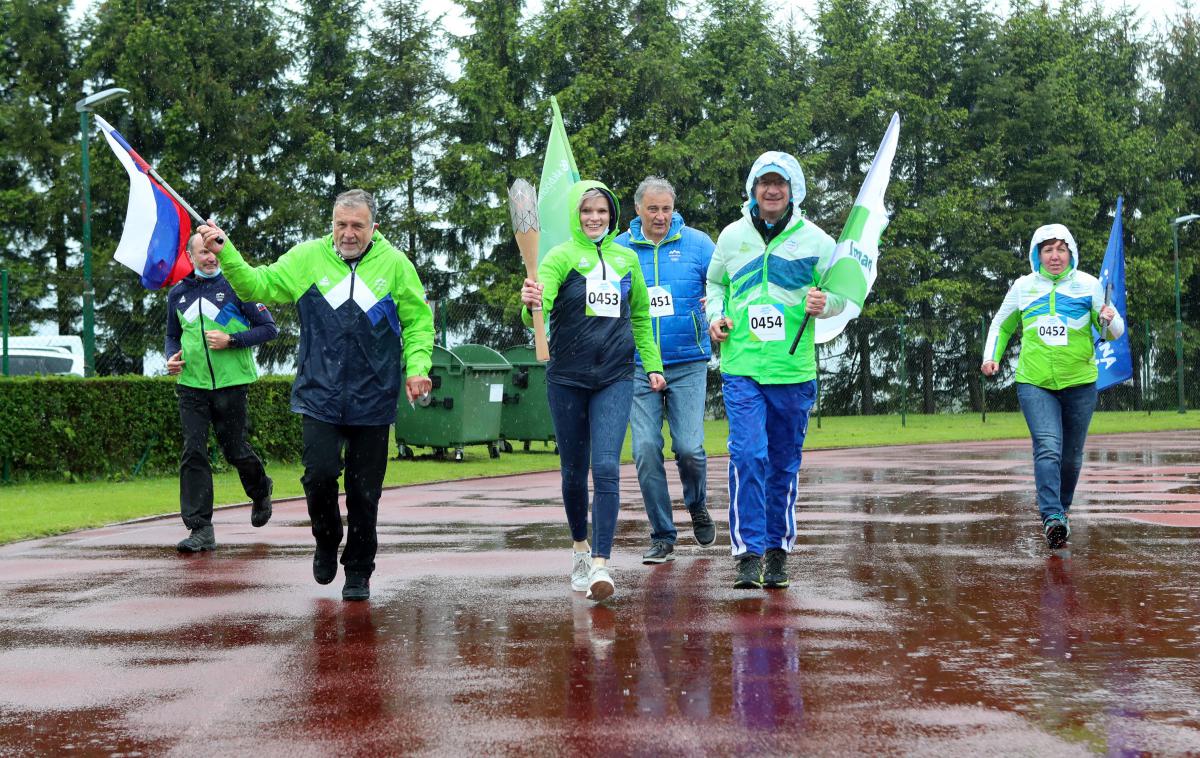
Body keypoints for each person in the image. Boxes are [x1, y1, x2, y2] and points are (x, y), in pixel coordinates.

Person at [198, 189, 434, 601]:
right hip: (319, 395)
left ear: (373, 227)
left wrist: (417, 369)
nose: (347, 233)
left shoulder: (395, 266)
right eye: (341, 224)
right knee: (319, 477)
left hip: (374, 398)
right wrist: (228, 251)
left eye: (356, 226)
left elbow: (418, 323)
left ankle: (358, 569)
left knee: (365, 492)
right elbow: (259, 285)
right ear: (332, 224)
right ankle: (327, 539)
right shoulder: (308, 258)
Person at [520, 179, 666, 602]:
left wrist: (652, 366)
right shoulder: (558, 258)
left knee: (605, 467)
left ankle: (601, 563)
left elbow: (639, 317)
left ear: (613, 214)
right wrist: (530, 302)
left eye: (602, 211)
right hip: (566, 378)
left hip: (615, 378)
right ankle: (580, 548)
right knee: (573, 471)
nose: (595, 218)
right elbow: (538, 311)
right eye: (587, 211)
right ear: (575, 216)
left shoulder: (626, 259)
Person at [705, 151, 845, 590]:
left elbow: (841, 293)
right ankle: (748, 553)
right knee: (748, 455)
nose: (771, 190)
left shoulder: (817, 241)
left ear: (793, 190)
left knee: (782, 463)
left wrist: (828, 304)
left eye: (779, 183)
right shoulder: (730, 237)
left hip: (793, 370)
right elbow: (715, 284)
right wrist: (715, 316)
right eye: (764, 182)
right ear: (752, 187)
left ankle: (777, 550)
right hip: (742, 366)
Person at [982, 224, 1122, 549]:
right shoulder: (1023, 287)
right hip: (1035, 381)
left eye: (1061, 249)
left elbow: (1113, 332)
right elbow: (1001, 325)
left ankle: (1062, 511)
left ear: (1070, 252)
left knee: (1071, 457)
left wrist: (1109, 318)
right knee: (1047, 447)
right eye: (1048, 250)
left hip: (1080, 382)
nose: (1055, 256)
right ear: (1037, 254)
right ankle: (1051, 518)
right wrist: (992, 356)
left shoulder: (1089, 285)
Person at [614, 176, 717, 564]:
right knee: (644, 449)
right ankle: (662, 535)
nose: (660, 216)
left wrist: (718, 299)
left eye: (666, 208)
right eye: (652, 208)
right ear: (637, 209)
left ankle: (697, 504)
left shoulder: (698, 243)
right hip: (638, 364)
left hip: (687, 360)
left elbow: (726, 280)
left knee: (689, 448)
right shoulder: (619, 248)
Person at [166, 233, 278, 553]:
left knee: (234, 450)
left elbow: (269, 329)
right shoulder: (178, 294)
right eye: (202, 252)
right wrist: (172, 357)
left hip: (231, 384)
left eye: (213, 250)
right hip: (191, 385)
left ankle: (260, 490)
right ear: (191, 256)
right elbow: (173, 337)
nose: (210, 257)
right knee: (194, 451)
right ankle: (200, 528)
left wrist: (232, 340)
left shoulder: (237, 287)